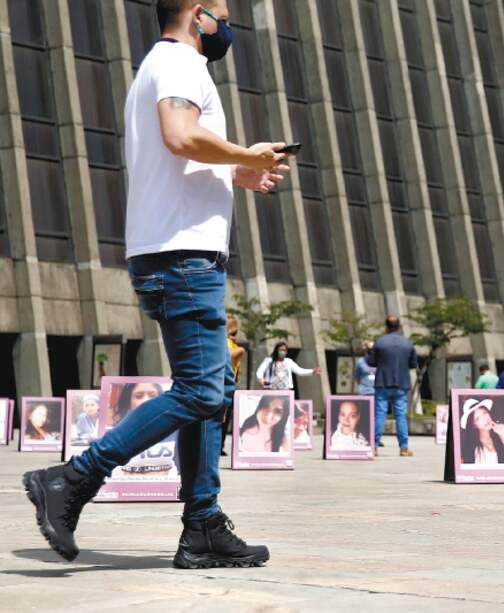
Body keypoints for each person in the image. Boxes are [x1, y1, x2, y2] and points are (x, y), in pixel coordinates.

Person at [22, 0, 289, 568]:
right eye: (222, 15)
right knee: (201, 391)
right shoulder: (179, 63)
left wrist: (237, 171)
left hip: (179, 252)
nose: (226, 26)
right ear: (197, 14)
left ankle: (203, 525)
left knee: (211, 392)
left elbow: (182, 155)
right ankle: (72, 478)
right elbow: (180, 135)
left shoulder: (161, 65)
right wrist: (245, 151)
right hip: (182, 255)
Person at [367, 315, 418, 457]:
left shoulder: (379, 342)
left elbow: (371, 362)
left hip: (382, 382)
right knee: (401, 415)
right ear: (399, 326)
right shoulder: (408, 343)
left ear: (386, 327)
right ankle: (404, 448)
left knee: (379, 414)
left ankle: (374, 446)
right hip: (401, 384)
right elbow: (413, 364)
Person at [459, 398, 504, 464]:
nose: (485, 418)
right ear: (474, 425)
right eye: (478, 418)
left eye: (484, 413)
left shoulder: (498, 439)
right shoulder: (473, 449)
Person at [221, 314, 245, 455]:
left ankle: (220, 446)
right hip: (223, 385)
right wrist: (240, 350)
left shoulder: (232, 343)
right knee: (221, 417)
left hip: (230, 384)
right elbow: (227, 356)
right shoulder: (226, 342)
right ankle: (218, 445)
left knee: (226, 418)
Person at [256, 342, 322, 392]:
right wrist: (261, 379)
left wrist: (312, 371)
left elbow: (299, 371)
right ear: (276, 350)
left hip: (285, 390)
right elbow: (259, 371)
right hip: (270, 389)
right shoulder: (269, 360)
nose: (282, 352)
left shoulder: (288, 361)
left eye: (284, 350)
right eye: (281, 350)